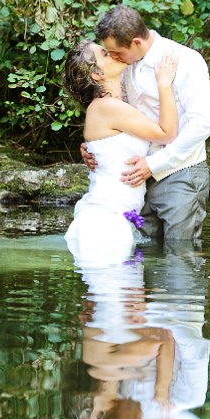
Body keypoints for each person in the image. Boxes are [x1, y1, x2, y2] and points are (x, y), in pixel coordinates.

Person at [82, 5, 210, 241]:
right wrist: (96, 148)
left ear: (136, 43)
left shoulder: (187, 60)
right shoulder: (123, 66)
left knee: (178, 259)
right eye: (108, 53)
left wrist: (154, 164)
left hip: (179, 173)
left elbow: (202, 125)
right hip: (136, 181)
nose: (112, 57)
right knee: (145, 262)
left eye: (116, 52)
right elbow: (118, 118)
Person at [62, 39, 178, 265]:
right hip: (106, 223)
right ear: (97, 75)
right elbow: (167, 133)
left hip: (109, 220)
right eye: (105, 54)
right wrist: (165, 83)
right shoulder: (107, 107)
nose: (114, 53)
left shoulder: (109, 106)